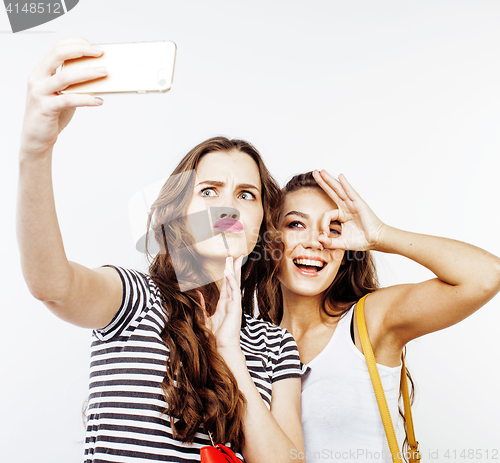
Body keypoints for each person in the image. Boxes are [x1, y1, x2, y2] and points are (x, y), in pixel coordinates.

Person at [16, 38, 307, 463]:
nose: (228, 208)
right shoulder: (136, 300)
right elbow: (52, 286)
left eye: (246, 195)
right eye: (209, 191)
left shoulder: (276, 345)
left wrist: (231, 354)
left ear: (263, 219)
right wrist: (35, 152)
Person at [256, 170, 500, 462]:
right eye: (296, 224)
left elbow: (485, 276)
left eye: (333, 228)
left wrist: (380, 235)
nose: (315, 241)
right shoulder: (251, 341)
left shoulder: (368, 322)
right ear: (272, 240)